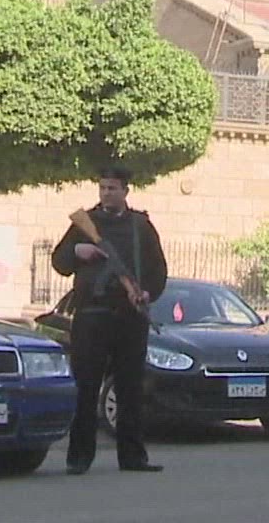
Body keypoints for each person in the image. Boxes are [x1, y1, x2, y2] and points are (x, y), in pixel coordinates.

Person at [51, 167, 168, 475]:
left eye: (112, 188)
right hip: (92, 316)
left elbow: (158, 269)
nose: (106, 193)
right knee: (86, 387)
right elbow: (59, 261)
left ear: (126, 191)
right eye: (102, 188)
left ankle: (133, 457)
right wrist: (78, 251)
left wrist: (146, 291)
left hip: (130, 317)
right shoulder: (84, 224)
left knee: (130, 388)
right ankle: (79, 457)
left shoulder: (140, 226)